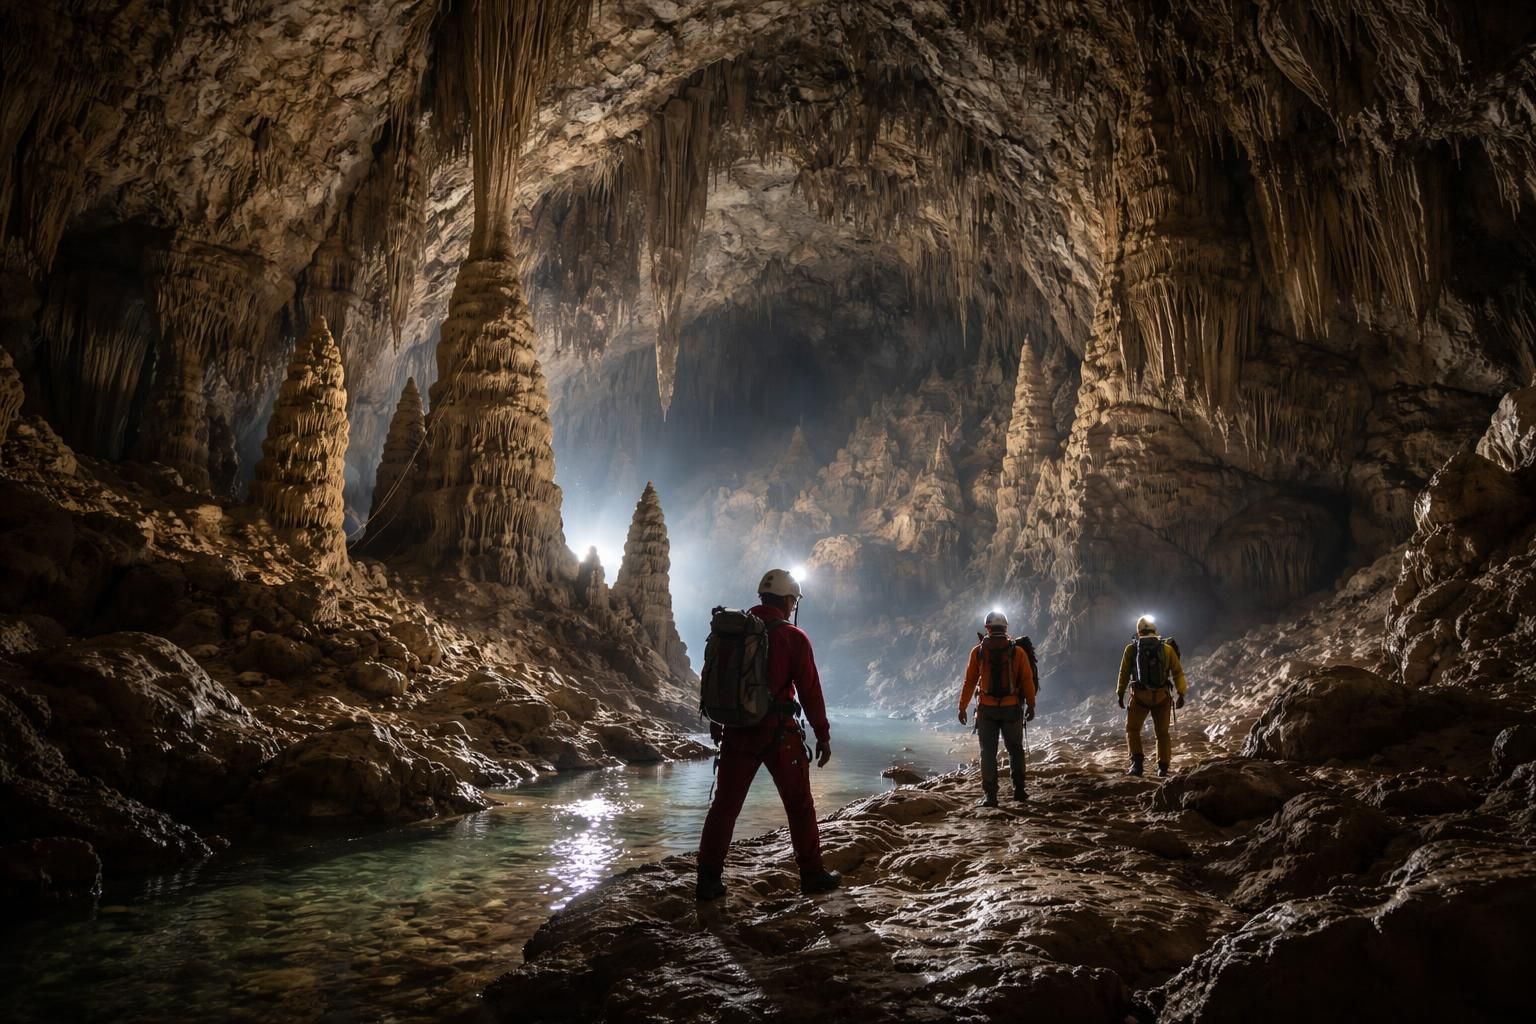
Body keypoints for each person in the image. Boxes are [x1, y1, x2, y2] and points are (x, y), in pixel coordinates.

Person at [696, 569, 841, 901]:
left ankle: (707, 880)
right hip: (779, 735)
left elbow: (715, 679)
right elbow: (810, 691)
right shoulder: (793, 636)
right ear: (789, 600)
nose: (793, 607)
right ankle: (812, 874)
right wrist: (823, 734)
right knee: (800, 806)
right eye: (794, 601)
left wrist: (717, 722)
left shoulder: (732, 631)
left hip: (736, 733)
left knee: (724, 807)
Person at [958, 610, 1037, 806]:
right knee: (1015, 750)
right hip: (1012, 708)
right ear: (1006, 627)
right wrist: (1031, 704)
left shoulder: (978, 651)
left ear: (987, 628)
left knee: (988, 752)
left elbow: (969, 682)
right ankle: (1019, 791)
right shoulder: (1017, 652)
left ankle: (990, 796)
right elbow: (1027, 680)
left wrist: (962, 707)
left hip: (986, 709)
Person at [1115, 615, 1189, 777]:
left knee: (1132, 729)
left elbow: (1124, 673)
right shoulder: (1167, 649)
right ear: (1155, 631)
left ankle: (1137, 765)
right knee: (1162, 733)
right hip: (1162, 696)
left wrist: (1120, 694)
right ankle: (1162, 767)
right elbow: (1177, 672)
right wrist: (1181, 693)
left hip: (1140, 696)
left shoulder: (1131, 649)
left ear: (1139, 631)